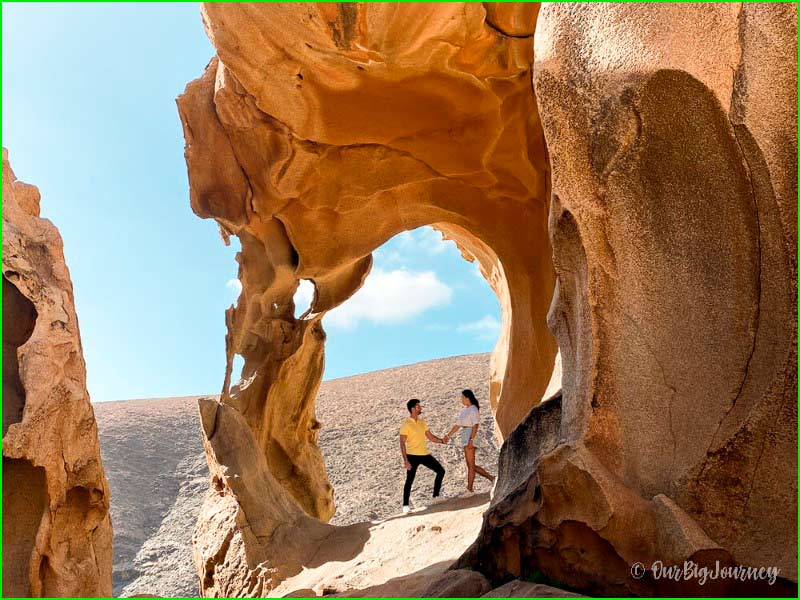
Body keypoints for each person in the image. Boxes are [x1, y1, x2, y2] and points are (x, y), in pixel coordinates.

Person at [444, 389, 495, 497]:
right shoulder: (464, 410)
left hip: (471, 434)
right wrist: (448, 436)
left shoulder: (473, 409)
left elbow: (476, 425)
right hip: (465, 434)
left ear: (467, 398)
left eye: (462, 397)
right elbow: (458, 425)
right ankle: (492, 478)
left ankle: (470, 489)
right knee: (470, 465)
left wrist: (472, 439)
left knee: (470, 465)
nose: (461, 400)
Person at [399, 398, 447, 514]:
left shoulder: (422, 422)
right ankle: (405, 505)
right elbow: (402, 443)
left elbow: (430, 437)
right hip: (412, 456)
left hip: (424, 454)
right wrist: (406, 461)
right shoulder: (406, 424)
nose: (420, 408)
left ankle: (436, 496)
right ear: (412, 409)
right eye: (418, 406)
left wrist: (442, 441)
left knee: (441, 471)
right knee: (410, 480)